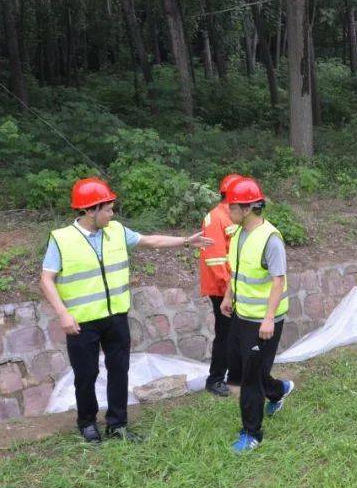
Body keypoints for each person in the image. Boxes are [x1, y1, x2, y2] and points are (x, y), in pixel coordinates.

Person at [39, 177, 212, 443]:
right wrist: (63, 313)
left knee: (119, 370)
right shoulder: (61, 240)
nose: (112, 213)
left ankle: (117, 424)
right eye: (107, 208)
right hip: (81, 322)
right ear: (89, 210)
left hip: (116, 318)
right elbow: (46, 279)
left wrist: (186, 241)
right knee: (86, 375)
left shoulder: (117, 231)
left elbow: (151, 241)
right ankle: (87, 423)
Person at [220, 177, 295, 453]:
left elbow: (278, 280)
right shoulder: (239, 233)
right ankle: (279, 389)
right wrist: (229, 296)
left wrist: (268, 318)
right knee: (245, 367)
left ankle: (252, 434)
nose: (228, 210)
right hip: (242, 314)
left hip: (264, 320)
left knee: (250, 378)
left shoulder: (270, 240)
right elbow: (236, 271)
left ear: (248, 208)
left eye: (233, 206)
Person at [199, 173, 244, 397]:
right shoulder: (216, 217)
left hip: (234, 286)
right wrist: (230, 291)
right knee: (225, 333)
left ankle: (233, 375)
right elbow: (216, 260)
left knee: (235, 333)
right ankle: (215, 379)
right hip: (223, 290)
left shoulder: (234, 214)